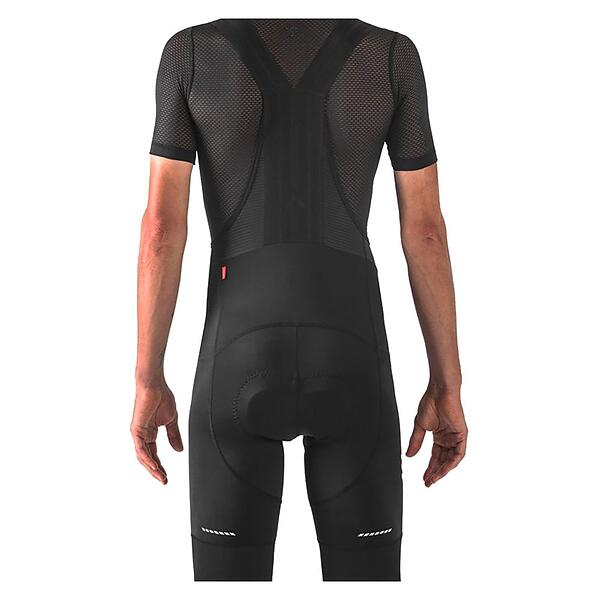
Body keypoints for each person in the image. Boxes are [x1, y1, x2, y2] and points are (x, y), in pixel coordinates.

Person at [131, 18, 467, 582]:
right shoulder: (390, 56)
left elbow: (162, 229)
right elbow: (426, 232)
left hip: (235, 352)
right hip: (352, 351)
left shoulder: (190, 53)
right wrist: (447, 385)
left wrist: (148, 380)